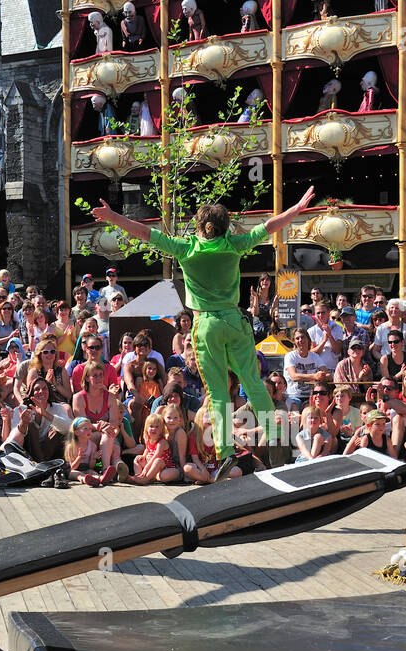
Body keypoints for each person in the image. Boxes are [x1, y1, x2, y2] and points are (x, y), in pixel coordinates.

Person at [92, 186, 316, 470]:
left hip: (207, 324)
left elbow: (144, 233)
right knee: (252, 381)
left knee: (219, 391)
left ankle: (225, 454)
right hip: (235, 321)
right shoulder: (234, 245)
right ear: (224, 228)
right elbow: (269, 226)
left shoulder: (186, 249)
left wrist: (113, 216)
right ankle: (275, 437)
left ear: (199, 227)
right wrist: (295, 209)